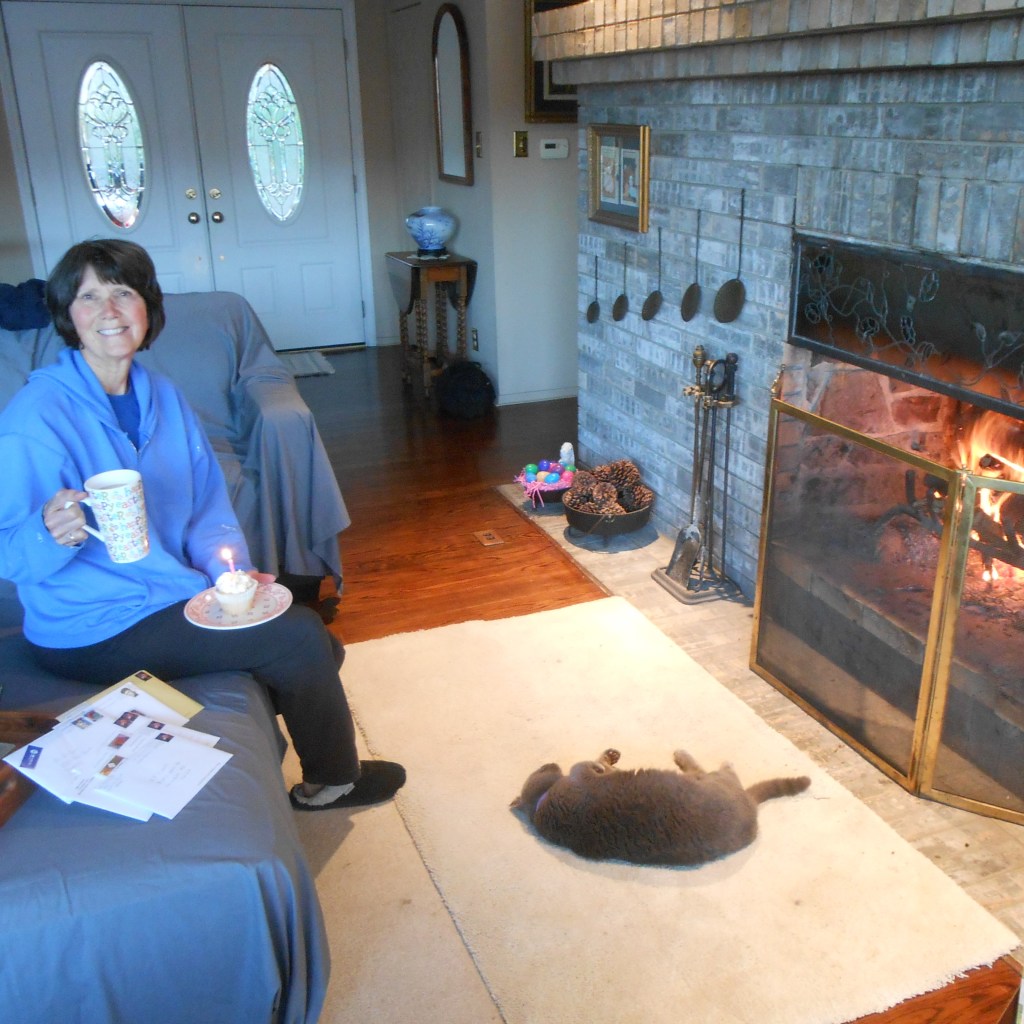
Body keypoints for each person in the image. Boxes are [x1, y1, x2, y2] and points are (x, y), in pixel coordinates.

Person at [0, 238, 405, 810]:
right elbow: (10, 555)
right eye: (89, 297)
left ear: (148, 307)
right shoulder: (36, 416)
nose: (109, 310)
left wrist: (228, 575)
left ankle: (257, 719)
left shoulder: (161, 394)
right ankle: (334, 782)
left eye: (123, 292)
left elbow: (209, 506)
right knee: (300, 639)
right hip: (90, 626)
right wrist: (49, 533)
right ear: (68, 315)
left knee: (315, 643)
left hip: (169, 594)